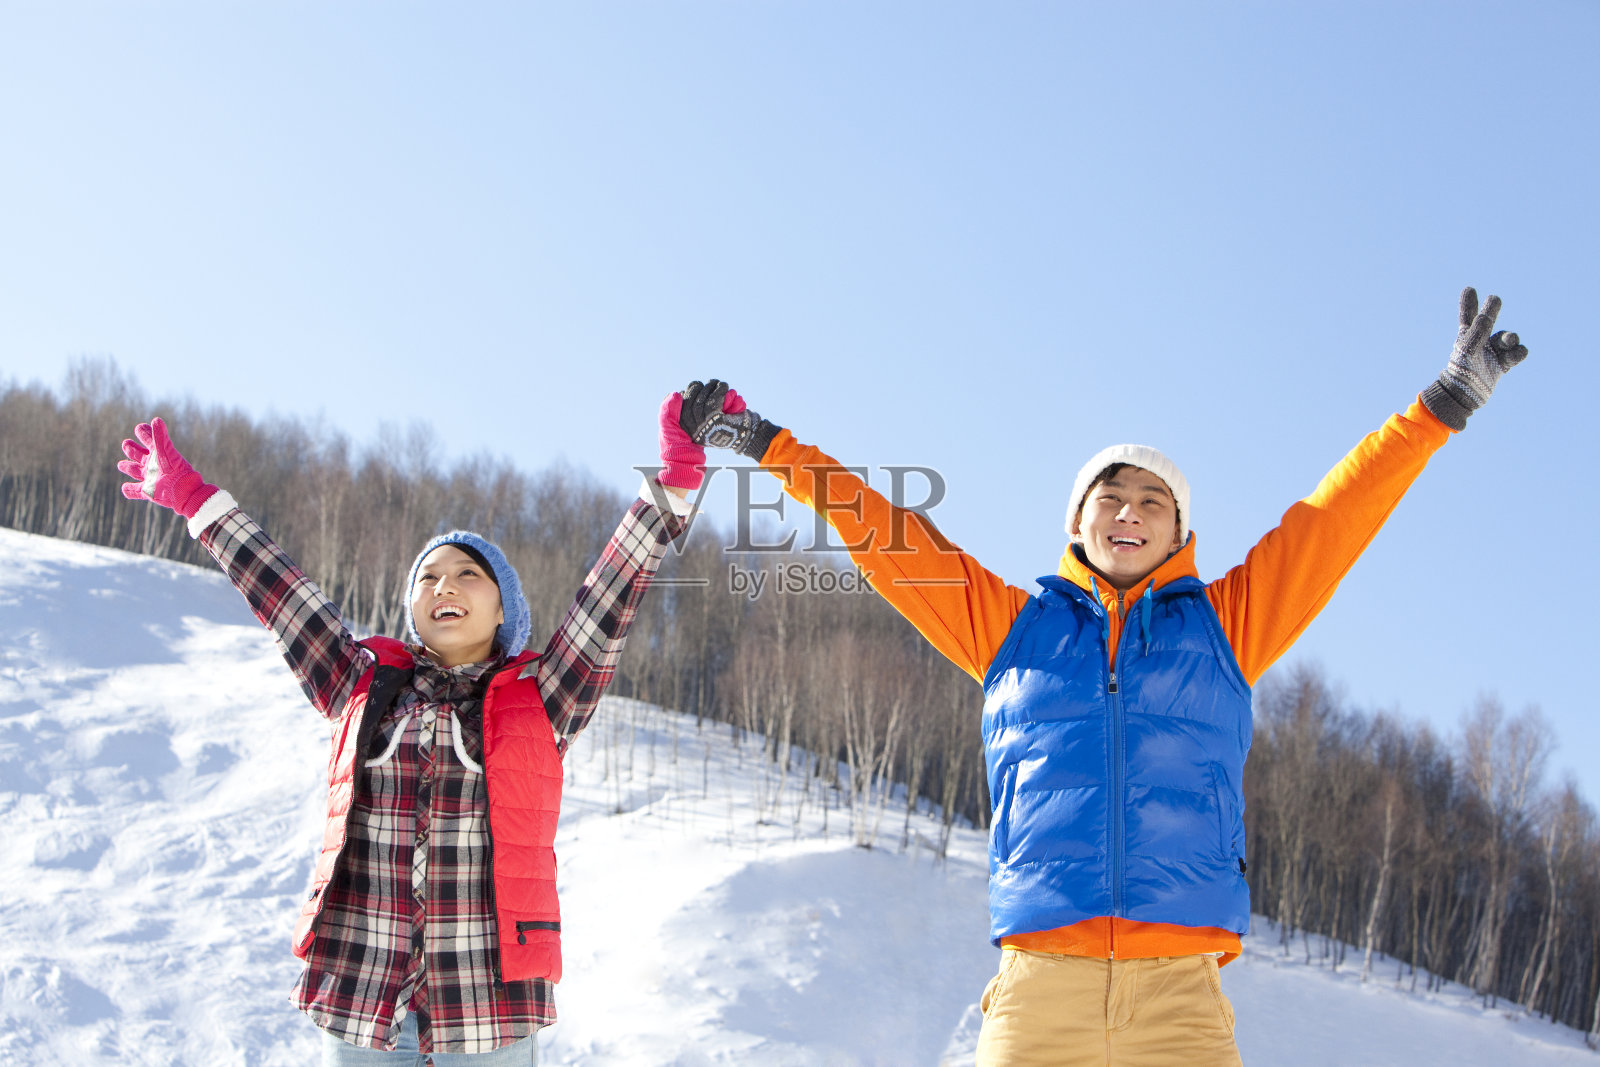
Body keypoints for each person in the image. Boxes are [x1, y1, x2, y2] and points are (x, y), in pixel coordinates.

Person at [682, 288, 1528, 1066]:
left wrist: (1437, 410)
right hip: (1040, 988)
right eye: (1110, 496)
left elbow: (1331, 523)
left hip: (1180, 1000)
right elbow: (885, 536)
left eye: (1152, 501)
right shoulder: (1013, 631)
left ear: (1179, 532)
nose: (1129, 510)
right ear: (1078, 523)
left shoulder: (1227, 628)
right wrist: (769, 443)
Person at [116, 390, 722, 1064]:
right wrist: (199, 501)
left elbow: (610, 596)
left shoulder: (543, 696)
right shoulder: (363, 681)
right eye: (429, 577)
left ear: (503, 612)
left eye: (468, 575)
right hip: (361, 988)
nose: (445, 586)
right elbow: (282, 594)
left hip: (487, 1001)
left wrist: (671, 483)